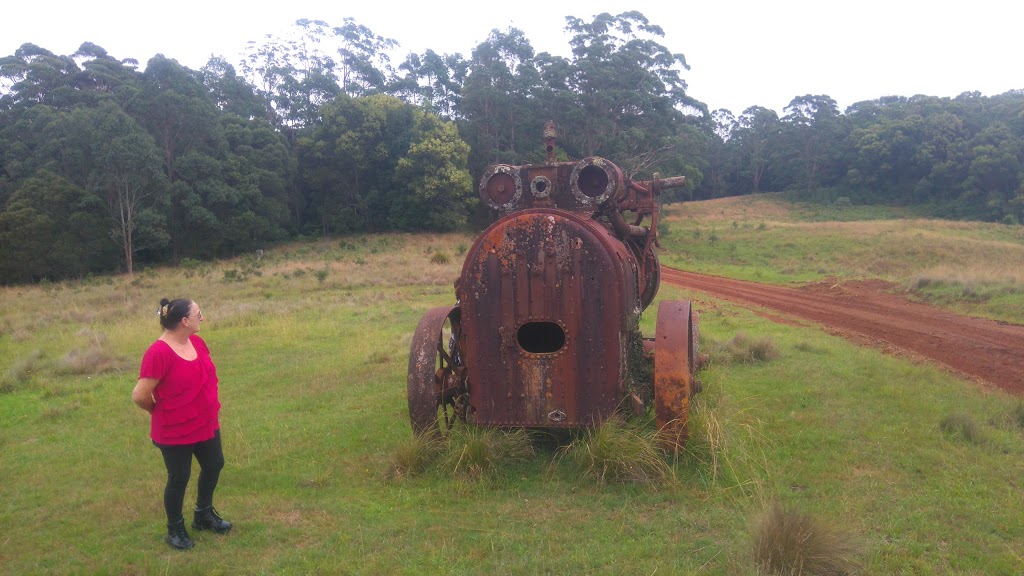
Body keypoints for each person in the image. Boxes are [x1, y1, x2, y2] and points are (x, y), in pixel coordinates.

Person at [132, 298, 232, 550]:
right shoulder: (158, 352)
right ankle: (175, 529)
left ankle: (203, 515)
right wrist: (158, 412)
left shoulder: (196, 342)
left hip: (204, 422)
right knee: (179, 477)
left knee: (214, 464)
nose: (203, 317)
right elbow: (140, 395)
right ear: (185, 321)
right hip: (174, 430)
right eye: (200, 313)